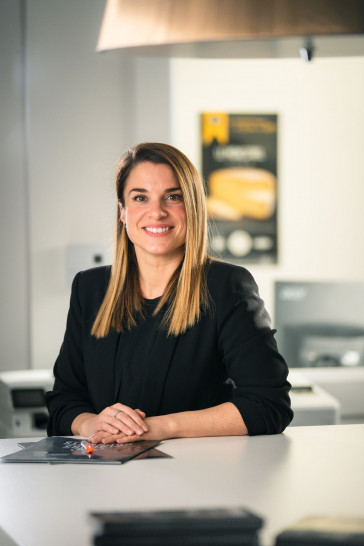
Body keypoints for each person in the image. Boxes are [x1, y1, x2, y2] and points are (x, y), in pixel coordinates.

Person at [45, 142, 293, 444]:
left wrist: (158, 428)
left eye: (173, 197)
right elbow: (64, 402)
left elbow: (268, 405)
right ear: (123, 212)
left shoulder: (227, 286)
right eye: (140, 198)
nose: (157, 212)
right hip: (105, 469)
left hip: (198, 471)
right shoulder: (90, 288)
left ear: (192, 208)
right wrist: (93, 424)